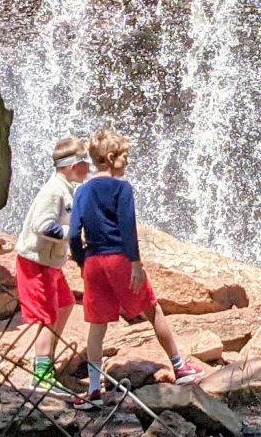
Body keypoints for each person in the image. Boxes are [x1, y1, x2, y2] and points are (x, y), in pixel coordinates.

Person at [68, 129, 205, 404]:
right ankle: (180, 367)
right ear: (110, 157)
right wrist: (136, 264)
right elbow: (127, 228)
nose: (128, 162)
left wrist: (83, 262)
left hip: (93, 261)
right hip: (119, 258)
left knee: (96, 326)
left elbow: (73, 234)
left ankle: (94, 389)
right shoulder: (122, 188)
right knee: (153, 311)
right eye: (125, 157)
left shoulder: (82, 191)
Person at [12, 136, 89, 390]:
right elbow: (42, 226)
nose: (88, 168)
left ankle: (49, 356)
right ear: (71, 166)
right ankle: (42, 373)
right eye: (83, 163)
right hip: (37, 263)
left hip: (51, 263)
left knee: (65, 304)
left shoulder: (67, 189)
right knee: (47, 316)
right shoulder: (54, 190)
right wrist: (72, 234)